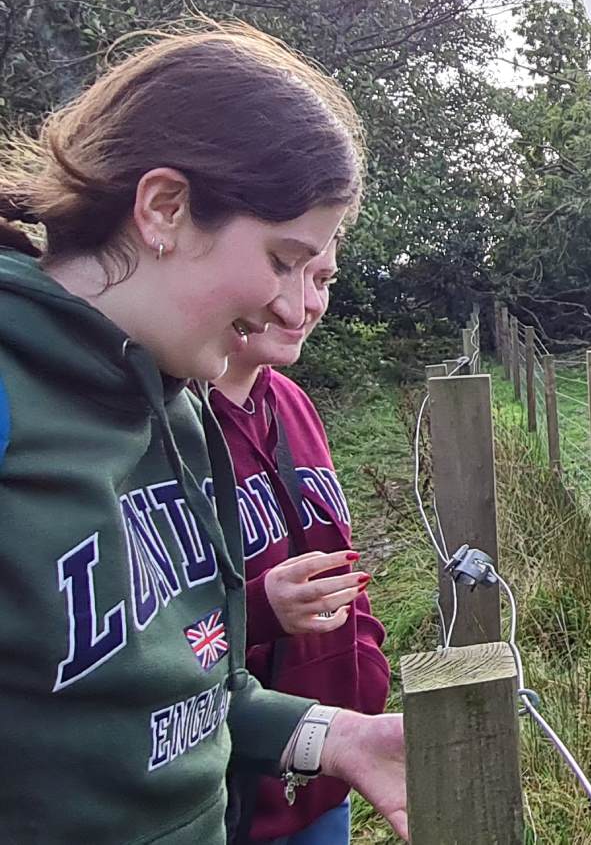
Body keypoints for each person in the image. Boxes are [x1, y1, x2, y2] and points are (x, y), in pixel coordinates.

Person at [0, 22, 408, 842]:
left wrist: (342, 737)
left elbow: (194, 692)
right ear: (164, 208)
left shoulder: (180, 410)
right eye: (283, 259)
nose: (293, 308)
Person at [210, 236, 388, 845]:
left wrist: (365, 676)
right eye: (285, 270)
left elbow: (340, 558)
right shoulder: (165, 420)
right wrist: (259, 610)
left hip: (327, 762)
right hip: (231, 786)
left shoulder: (290, 402)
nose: (305, 304)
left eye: (325, 279)